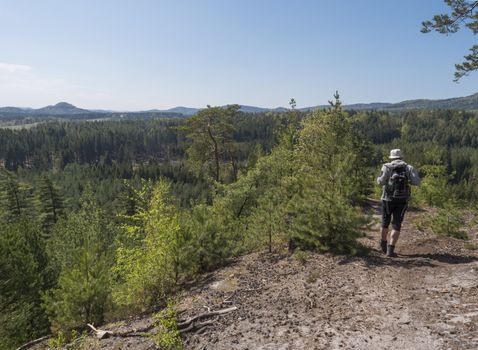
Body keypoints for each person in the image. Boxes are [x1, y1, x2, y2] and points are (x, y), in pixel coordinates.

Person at [377, 149, 420, 257]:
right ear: (401, 157)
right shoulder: (408, 167)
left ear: (391, 157)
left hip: (387, 198)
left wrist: (382, 180)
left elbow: (380, 182)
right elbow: (417, 182)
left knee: (385, 221)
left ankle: (383, 242)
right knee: (397, 224)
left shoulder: (386, 167)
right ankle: (390, 250)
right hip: (402, 199)